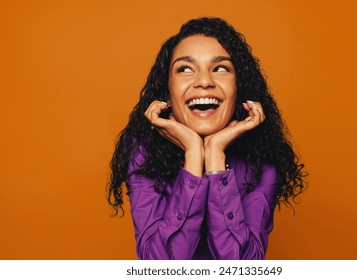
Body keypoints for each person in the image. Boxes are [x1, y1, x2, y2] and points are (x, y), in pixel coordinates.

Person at [107, 17, 306, 260]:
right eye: (185, 69)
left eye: (220, 68)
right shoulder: (143, 153)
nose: (204, 82)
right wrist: (193, 153)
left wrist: (214, 156)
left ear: (239, 89)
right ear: (167, 93)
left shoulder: (262, 158)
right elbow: (160, 267)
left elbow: (242, 267)